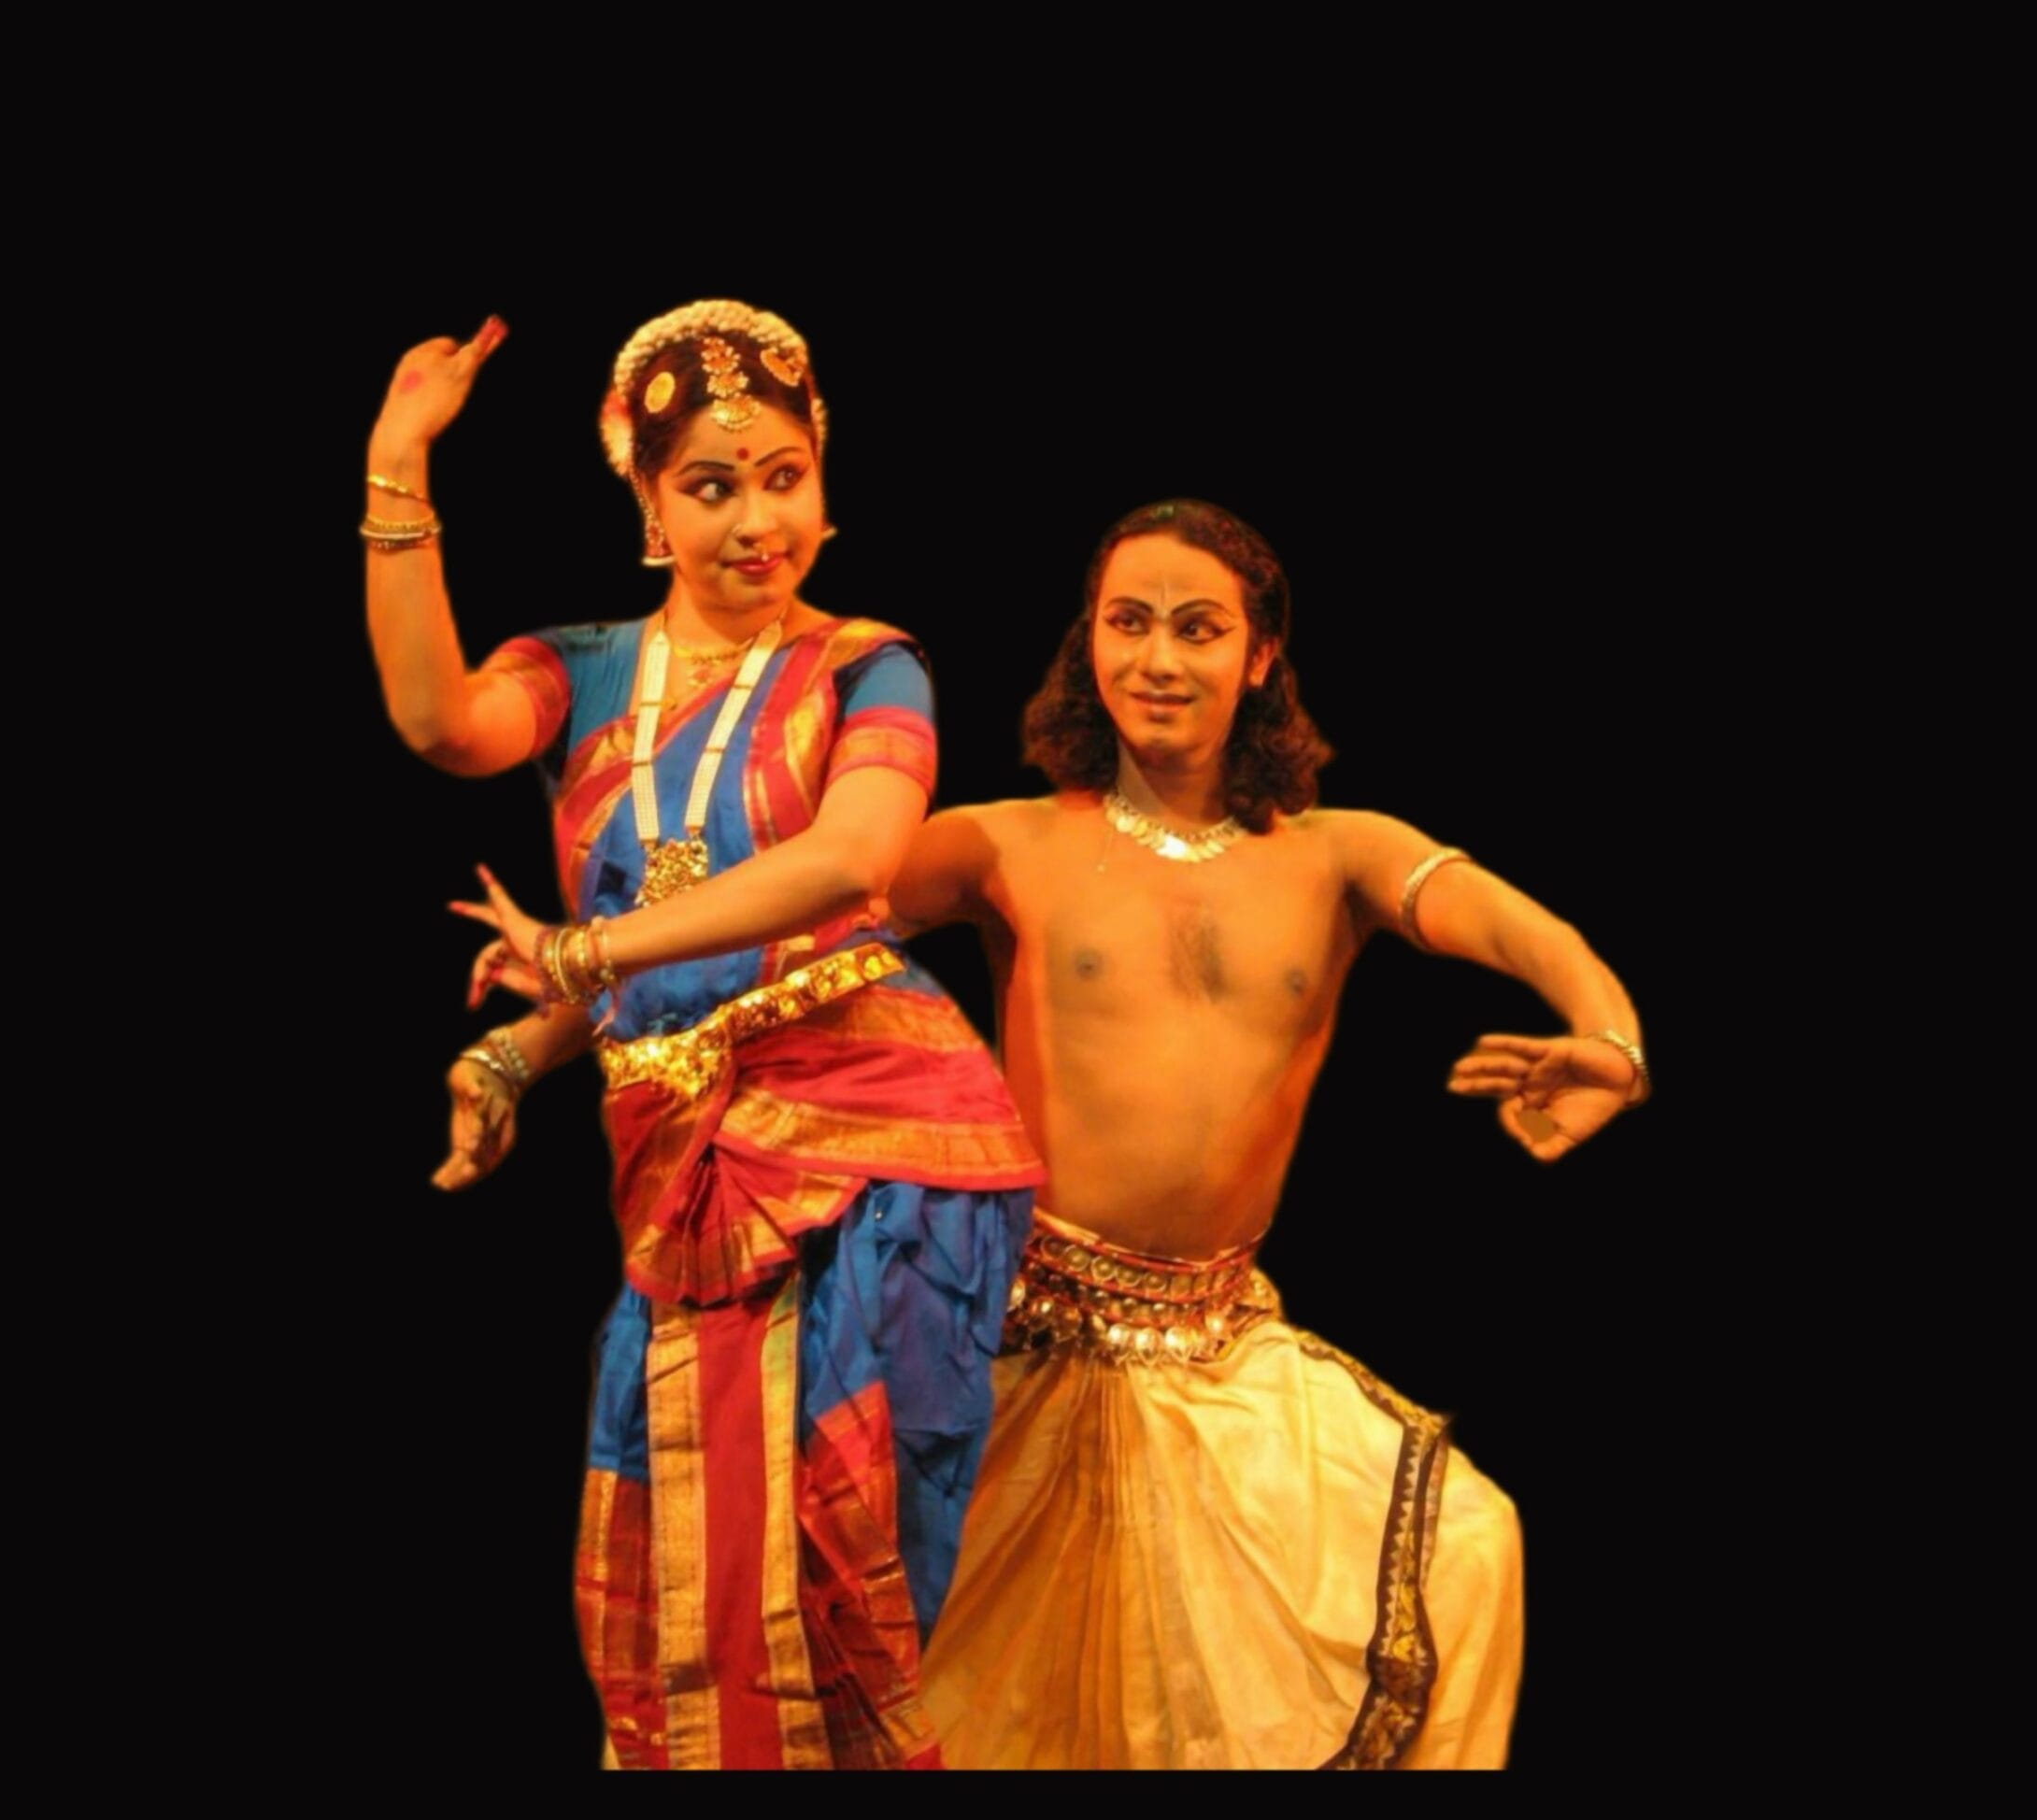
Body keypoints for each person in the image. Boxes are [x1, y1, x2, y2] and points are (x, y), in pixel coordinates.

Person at [363, 300, 1044, 1770]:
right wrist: (398, 463)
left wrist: (585, 951)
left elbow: (853, 862)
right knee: (686, 1566)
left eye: (785, 477)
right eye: (713, 486)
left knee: (846, 1571)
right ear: (649, 504)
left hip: (883, 1163)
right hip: (680, 1174)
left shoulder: (871, 666)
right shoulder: (580, 671)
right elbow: (439, 723)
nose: (757, 520)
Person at [890, 499, 1649, 1770]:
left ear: (1259, 657)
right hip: (1020, 1346)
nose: (1158, 659)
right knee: (987, 1708)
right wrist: (572, 1004)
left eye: (1198, 629)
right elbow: (792, 923)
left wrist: (1612, 1041)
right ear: (1089, 642)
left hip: (1220, 1357)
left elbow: (1530, 932)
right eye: (1128, 624)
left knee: (1470, 1547)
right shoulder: (1003, 842)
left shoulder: (1339, 857)